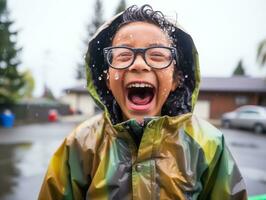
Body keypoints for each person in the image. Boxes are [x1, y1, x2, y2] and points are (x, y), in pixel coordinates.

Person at [38, 4, 247, 200]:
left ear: (176, 79)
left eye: (157, 55)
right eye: (123, 55)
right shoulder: (81, 144)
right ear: (108, 79)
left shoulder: (208, 144)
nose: (139, 65)